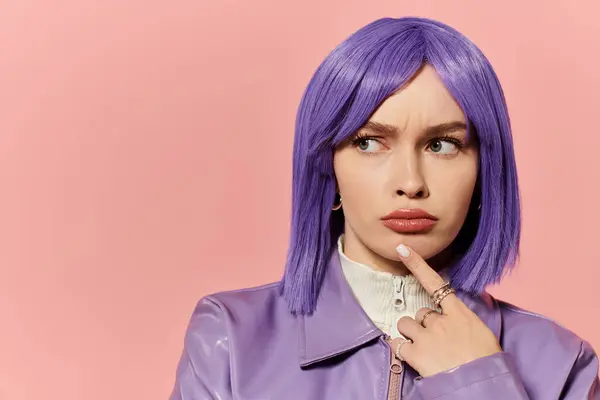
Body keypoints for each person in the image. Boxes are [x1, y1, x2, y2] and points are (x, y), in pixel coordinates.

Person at [169, 17, 600, 399]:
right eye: (369, 143)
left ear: (485, 170)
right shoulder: (229, 339)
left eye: (442, 145)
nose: (410, 183)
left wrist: (479, 383)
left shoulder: (564, 364)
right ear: (328, 168)